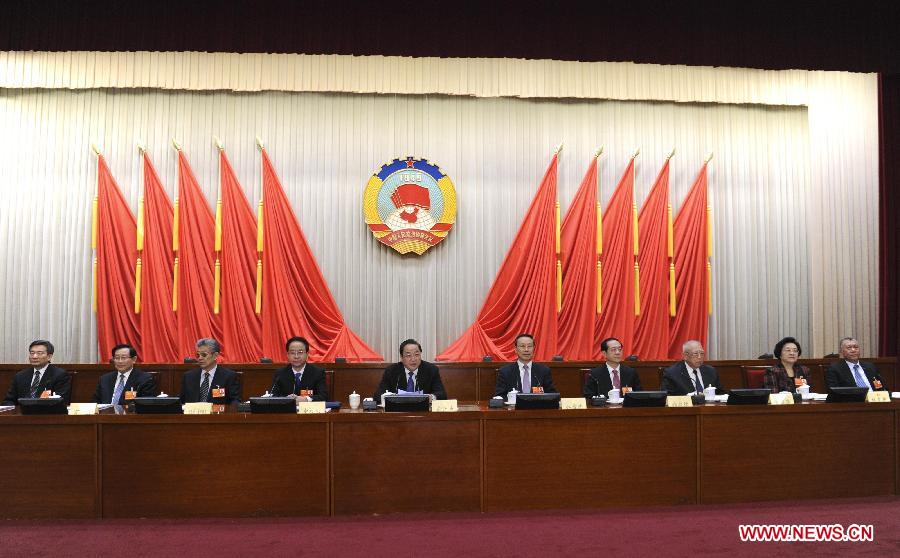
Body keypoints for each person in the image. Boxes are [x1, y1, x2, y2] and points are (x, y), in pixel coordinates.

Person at [3, 340, 71, 405]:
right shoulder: (20, 376)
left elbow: (60, 401)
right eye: (32, 353)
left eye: (39, 353)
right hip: (22, 414)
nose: (34, 356)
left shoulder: (60, 375)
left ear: (49, 357)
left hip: (46, 414)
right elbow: (9, 400)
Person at [374, 339, 447, 400]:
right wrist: (391, 397)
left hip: (423, 412)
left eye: (416, 354)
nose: (413, 359)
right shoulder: (391, 371)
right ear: (402, 357)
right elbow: (378, 395)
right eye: (408, 355)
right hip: (398, 412)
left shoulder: (431, 370)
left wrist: (430, 397)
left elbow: (442, 394)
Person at [179, 338, 242, 404]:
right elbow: (181, 401)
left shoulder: (228, 376)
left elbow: (235, 401)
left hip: (217, 413)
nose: (200, 358)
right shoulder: (188, 376)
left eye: (204, 355)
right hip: (193, 413)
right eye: (198, 355)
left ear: (215, 356)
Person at [92, 343, 158, 405]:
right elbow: (96, 402)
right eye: (117, 358)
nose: (120, 361)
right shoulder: (105, 379)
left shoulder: (145, 379)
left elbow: (145, 404)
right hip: (105, 415)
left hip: (130, 416)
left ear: (134, 359)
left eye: (124, 358)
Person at [268, 336, 327, 401]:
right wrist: (286, 399)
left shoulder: (318, 373)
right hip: (287, 410)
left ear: (307, 354)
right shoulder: (279, 374)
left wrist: (306, 399)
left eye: (300, 352)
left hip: (309, 410)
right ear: (287, 355)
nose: (296, 356)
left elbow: (323, 396)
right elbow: (273, 396)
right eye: (292, 353)